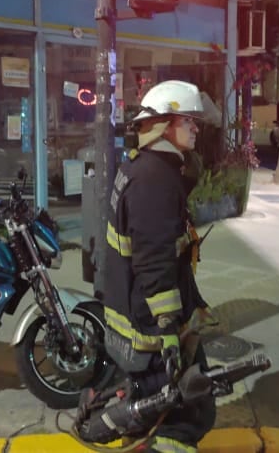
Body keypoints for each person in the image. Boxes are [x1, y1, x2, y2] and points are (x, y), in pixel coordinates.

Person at [100, 80, 217, 452]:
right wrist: (168, 330)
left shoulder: (145, 167)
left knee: (154, 413)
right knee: (188, 416)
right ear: (166, 124)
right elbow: (153, 261)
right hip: (153, 329)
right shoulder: (154, 179)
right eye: (189, 120)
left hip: (140, 317)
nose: (196, 127)